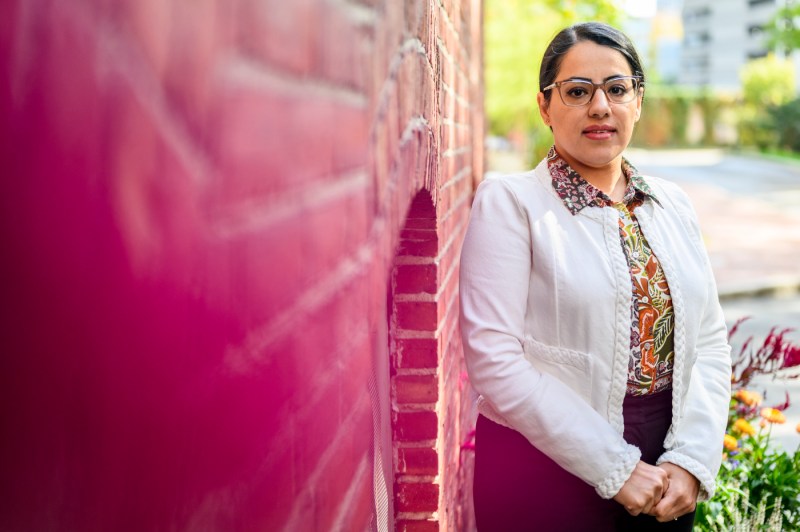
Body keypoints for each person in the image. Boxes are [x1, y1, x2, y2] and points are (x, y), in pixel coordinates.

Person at [459, 22, 732, 531]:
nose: (601, 107)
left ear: (638, 100)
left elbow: (710, 343)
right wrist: (615, 467)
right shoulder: (511, 203)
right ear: (545, 107)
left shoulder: (672, 204)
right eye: (578, 92)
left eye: (617, 89)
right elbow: (493, 360)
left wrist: (691, 461)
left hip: (665, 466)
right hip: (538, 468)